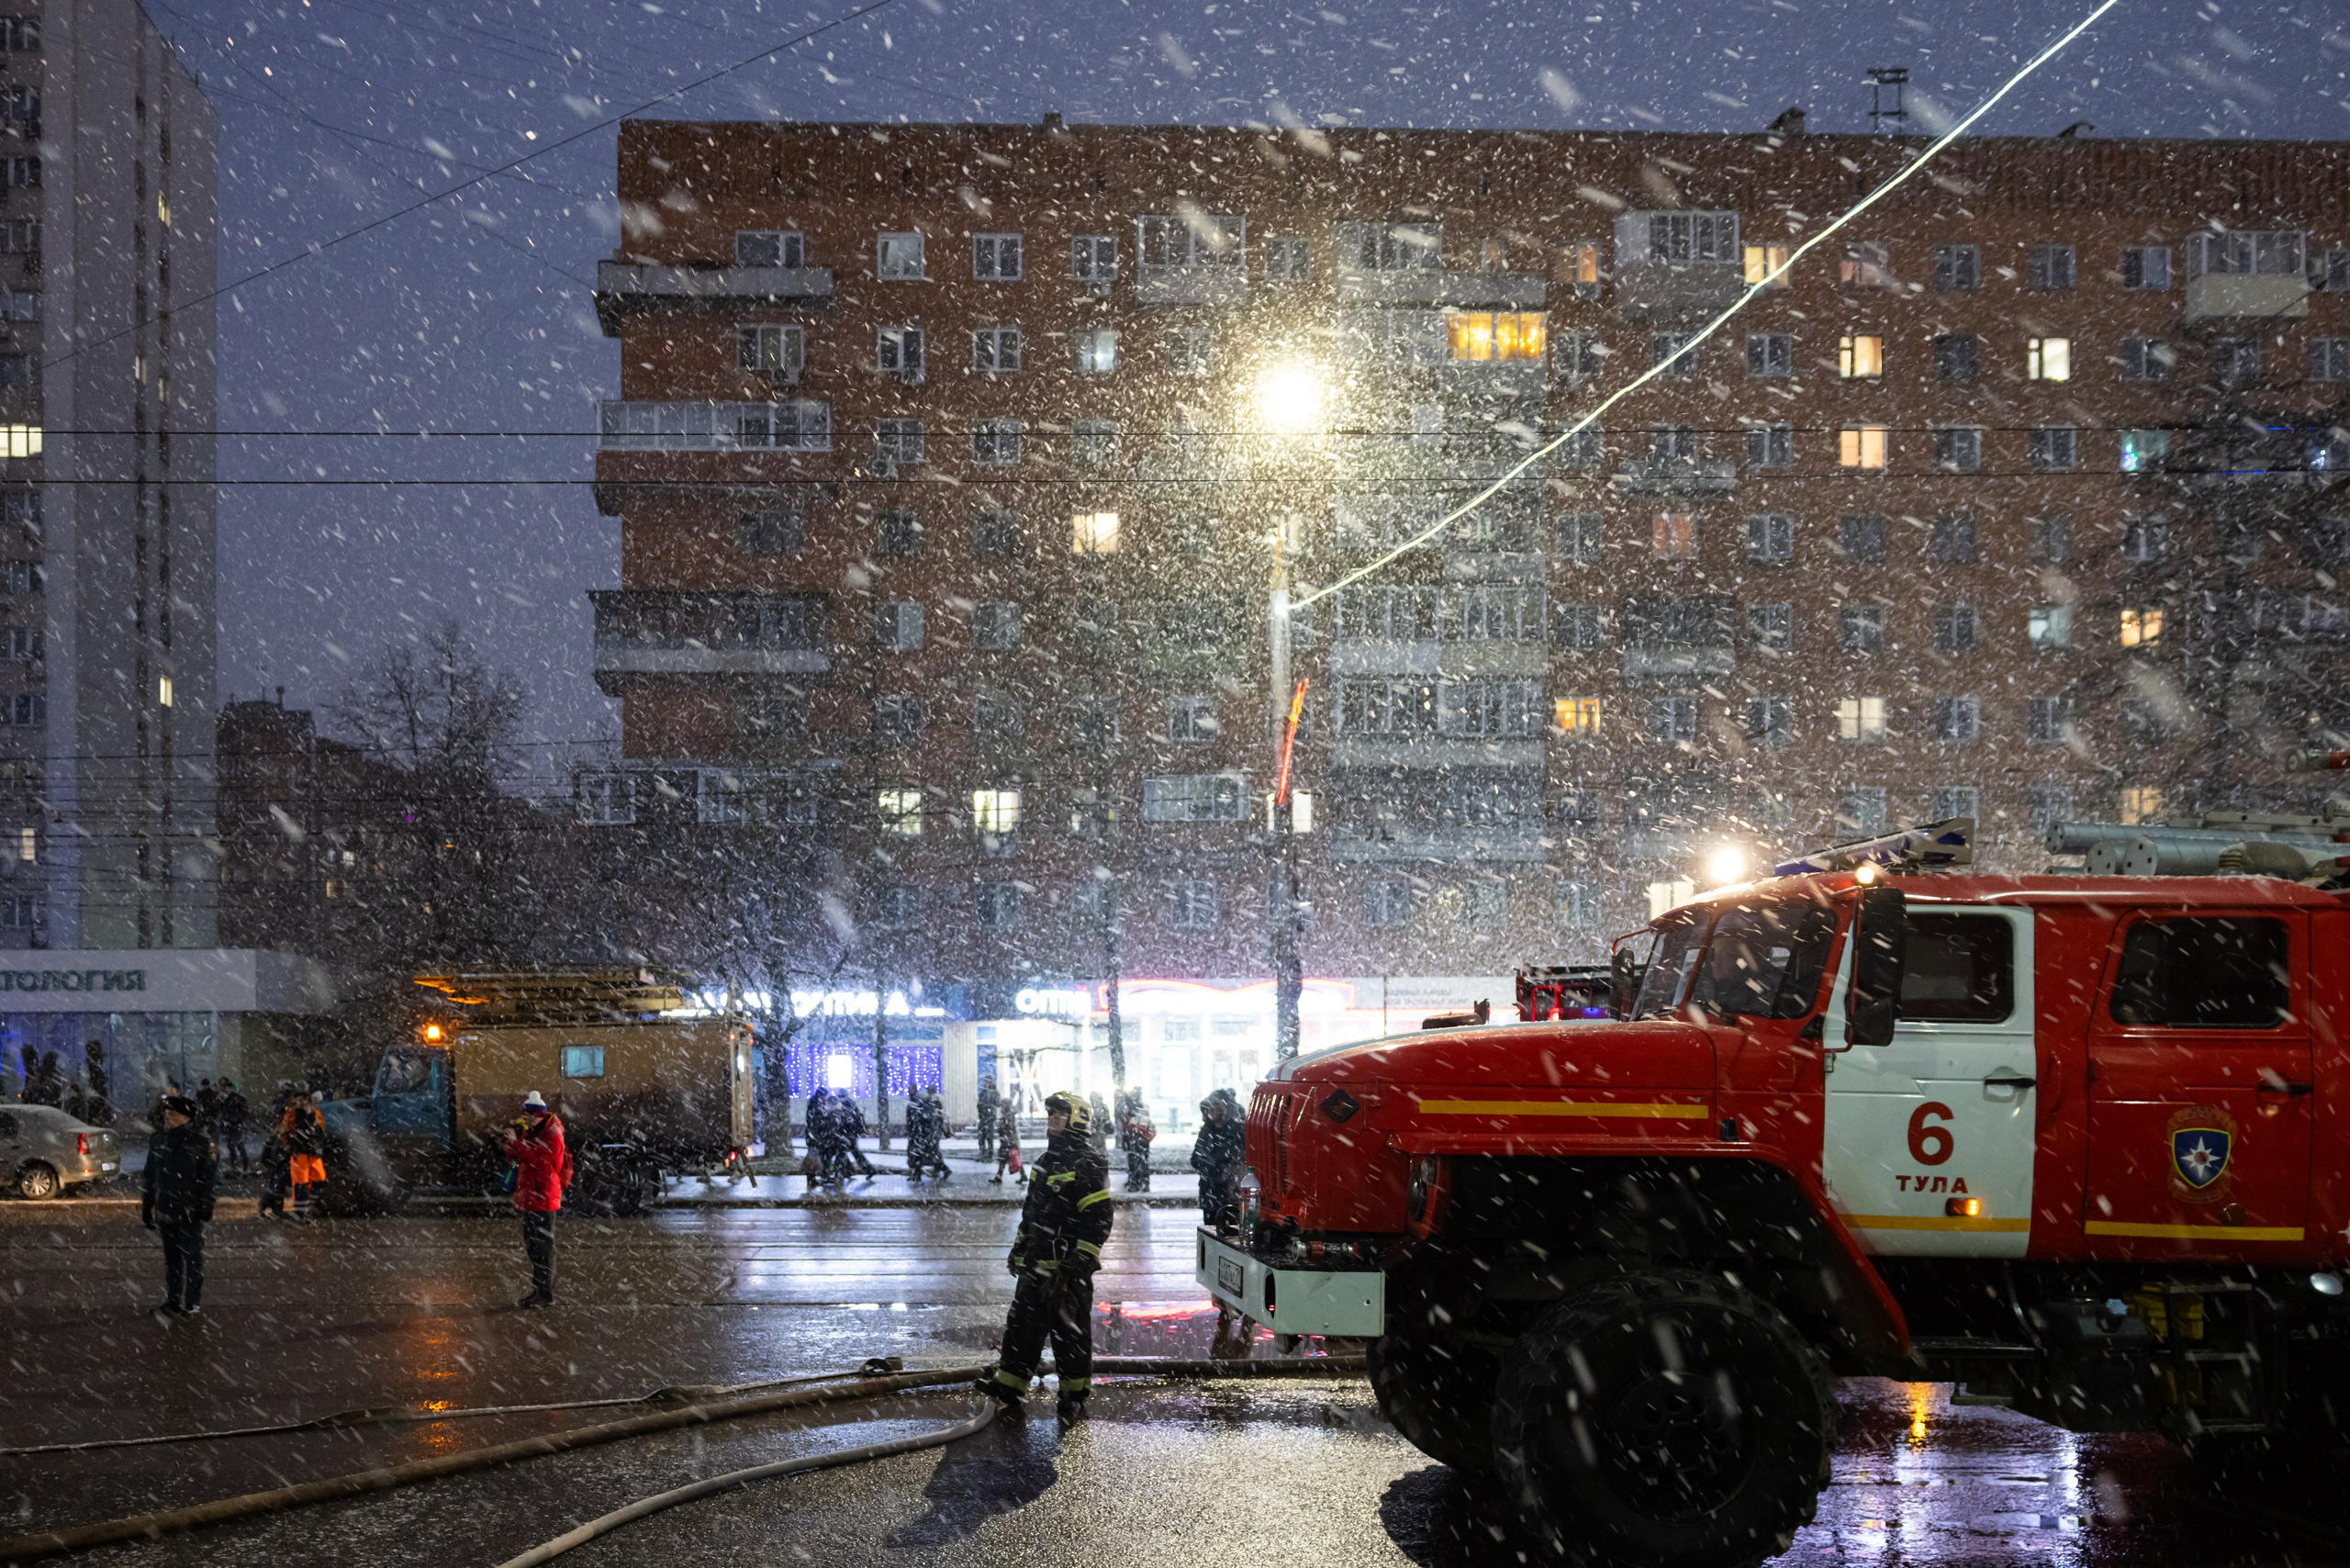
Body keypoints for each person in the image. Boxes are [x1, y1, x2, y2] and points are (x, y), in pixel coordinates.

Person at [980, 1090, 1113, 1424]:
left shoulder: (1088, 1163)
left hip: (1067, 1271)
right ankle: (1009, 1387)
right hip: (1036, 1266)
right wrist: (1019, 1247)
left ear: (1077, 1120)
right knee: (1021, 1329)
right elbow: (1031, 1213)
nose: (1052, 1120)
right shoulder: (1043, 1162)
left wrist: (1076, 1265)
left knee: (1070, 1337)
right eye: (1050, 1114)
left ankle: (1074, 1395)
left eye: (1059, 1114)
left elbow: (1097, 1221)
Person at [141, 1093, 218, 1317]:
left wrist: (206, 1203)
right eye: (166, 1113)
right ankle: (174, 1300)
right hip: (166, 1209)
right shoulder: (158, 1140)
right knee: (172, 1259)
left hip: (189, 1209)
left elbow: (209, 1176)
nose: (167, 1118)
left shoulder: (201, 1143)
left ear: (186, 1117)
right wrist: (147, 1205)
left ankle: (191, 1302)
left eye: (172, 1114)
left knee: (192, 1258)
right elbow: (150, 1175)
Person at [503, 1091, 571, 1308]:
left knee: (543, 1248)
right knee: (533, 1247)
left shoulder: (552, 1134)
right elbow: (517, 1155)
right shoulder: (533, 1132)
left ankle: (546, 1295)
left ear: (541, 1115)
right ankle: (539, 1290)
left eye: (531, 1117)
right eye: (526, 1117)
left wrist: (518, 1144)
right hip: (532, 1197)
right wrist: (511, 1143)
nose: (528, 1121)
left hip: (544, 1197)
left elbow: (540, 1162)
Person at [1192, 1089, 1246, 1230]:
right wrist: (1208, 1163)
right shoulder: (1206, 1130)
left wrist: (1213, 1162)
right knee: (1211, 1231)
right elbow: (1195, 1159)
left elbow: (1234, 1158)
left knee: (1231, 1232)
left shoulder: (1237, 1129)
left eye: (1216, 1106)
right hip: (1209, 1193)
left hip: (1230, 1193)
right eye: (1210, 1106)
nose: (1212, 1110)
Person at [280, 1086, 328, 1221]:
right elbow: (285, 1132)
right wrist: (287, 1146)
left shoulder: (316, 1113)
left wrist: (318, 1143)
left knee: (320, 1179)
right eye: (298, 1100)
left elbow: (321, 1131)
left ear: (308, 1100)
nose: (300, 1103)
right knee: (301, 1184)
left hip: (313, 1153)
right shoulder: (292, 1114)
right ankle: (301, 1212)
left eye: (303, 1100)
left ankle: (307, 1206)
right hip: (299, 1153)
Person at [258, 1081, 296, 1219]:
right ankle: (271, 1206)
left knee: (276, 1176)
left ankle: (270, 1206)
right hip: (281, 1142)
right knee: (278, 1176)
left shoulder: (283, 1105)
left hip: (280, 1141)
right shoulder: (287, 1107)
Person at [1114, 1087, 1154, 1193]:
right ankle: (1141, 1183)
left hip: (1136, 1140)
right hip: (1140, 1141)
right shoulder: (1139, 1108)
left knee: (1135, 1163)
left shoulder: (1135, 1109)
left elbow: (1134, 1124)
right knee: (1140, 1162)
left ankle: (1136, 1183)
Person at [217, 1080, 251, 1177]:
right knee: (238, 1145)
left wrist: (234, 1121)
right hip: (234, 1125)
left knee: (232, 1145)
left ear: (231, 1088)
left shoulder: (234, 1099)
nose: (226, 1090)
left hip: (235, 1126)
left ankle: (237, 1165)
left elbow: (241, 1113)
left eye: (227, 1088)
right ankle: (242, 1165)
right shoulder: (232, 1099)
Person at [991, 1099, 1026, 1185]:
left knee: (1008, 1158)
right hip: (1008, 1141)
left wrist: (1008, 1141)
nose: (1001, 1108)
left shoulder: (1008, 1115)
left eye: (1002, 1105)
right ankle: (1022, 1175)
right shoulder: (1008, 1115)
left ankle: (999, 1177)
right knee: (1008, 1159)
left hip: (1008, 1142)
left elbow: (1008, 1129)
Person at [975, 1075, 1000, 1163]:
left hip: (990, 1118)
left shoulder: (995, 1092)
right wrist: (981, 1108)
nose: (985, 1083)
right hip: (983, 1117)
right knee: (981, 1137)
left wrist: (987, 1107)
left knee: (989, 1137)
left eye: (987, 1081)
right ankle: (982, 1153)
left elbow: (996, 1104)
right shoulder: (983, 1092)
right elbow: (979, 1104)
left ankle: (989, 1155)